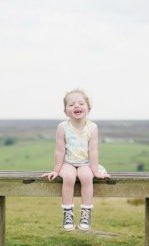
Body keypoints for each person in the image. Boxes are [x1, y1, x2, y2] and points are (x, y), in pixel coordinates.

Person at [42, 89, 110, 231]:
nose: (76, 106)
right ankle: (68, 213)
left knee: (86, 176)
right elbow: (60, 150)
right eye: (71, 104)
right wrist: (56, 170)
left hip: (85, 162)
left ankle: (85, 212)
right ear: (66, 111)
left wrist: (95, 171)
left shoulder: (92, 127)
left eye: (81, 103)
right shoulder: (62, 127)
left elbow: (93, 150)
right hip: (68, 162)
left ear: (88, 108)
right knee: (68, 176)